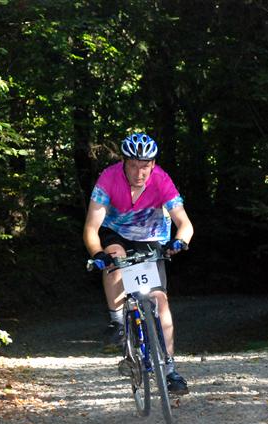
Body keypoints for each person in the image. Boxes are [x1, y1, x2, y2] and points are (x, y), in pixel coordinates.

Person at [83, 132, 194, 395]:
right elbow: (91, 228)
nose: (139, 172)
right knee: (114, 256)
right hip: (116, 233)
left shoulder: (162, 180)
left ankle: (170, 369)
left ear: (153, 164)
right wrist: (98, 253)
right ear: (123, 162)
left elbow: (185, 223)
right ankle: (117, 322)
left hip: (151, 238)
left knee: (160, 300)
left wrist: (180, 241)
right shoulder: (109, 178)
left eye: (145, 166)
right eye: (133, 165)